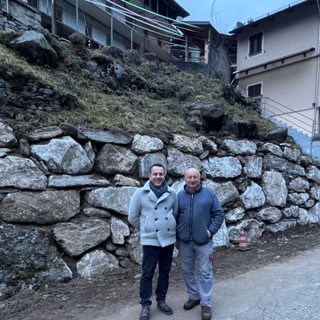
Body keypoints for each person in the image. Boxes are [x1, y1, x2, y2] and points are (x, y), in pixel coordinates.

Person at [128, 163, 178, 320]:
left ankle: (161, 300)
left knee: (165, 272)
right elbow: (133, 217)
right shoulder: (140, 193)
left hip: (168, 240)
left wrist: (168, 226)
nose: (158, 177)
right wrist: (147, 228)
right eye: (155, 174)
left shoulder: (172, 193)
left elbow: (174, 213)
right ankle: (145, 304)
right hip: (150, 240)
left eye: (161, 174)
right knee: (147, 273)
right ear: (149, 176)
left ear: (164, 175)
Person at [176, 168, 224, 320]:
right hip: (185, 242)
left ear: (199, 178)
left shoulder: (208, 193)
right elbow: (175, 217)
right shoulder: (179, 196)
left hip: (204, 242)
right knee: (187, 271)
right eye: (189, 177)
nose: (192, 180)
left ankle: (206, 303)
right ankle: (194, 296)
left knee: (205, 272)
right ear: (185, 179)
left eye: (195, 177)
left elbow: (219, 214)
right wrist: (177, 235)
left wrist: (210, 231)